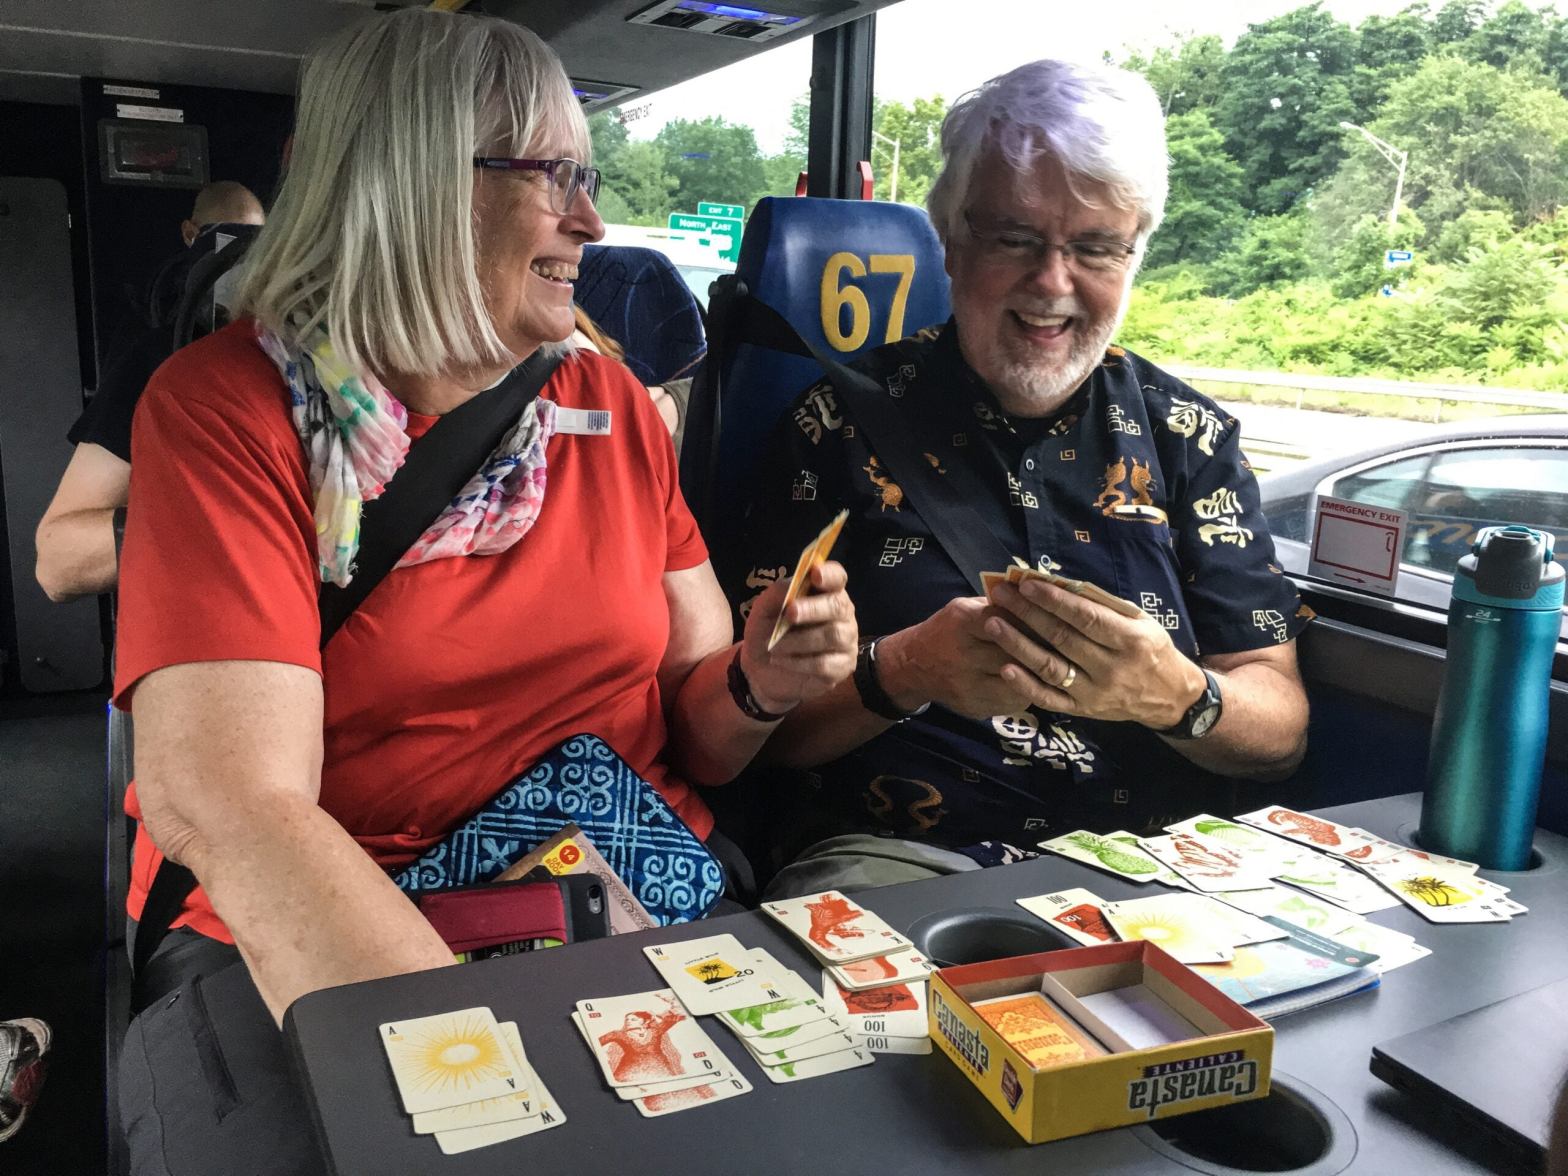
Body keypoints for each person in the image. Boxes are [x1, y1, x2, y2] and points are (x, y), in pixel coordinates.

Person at [111, 11, 856, 1173]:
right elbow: (234, 803)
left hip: (622, 880)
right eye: (552, 175)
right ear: (410, 181)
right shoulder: (230, 410)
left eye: (587, 180)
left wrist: (760, 683)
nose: (590, 222)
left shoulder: (613, 408)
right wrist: (474, 1080)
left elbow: (696, 737)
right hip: (334, 912)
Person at [732, 59, 1311, 895]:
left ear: (1134, 257)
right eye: (1014, 239)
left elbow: (1281, 730)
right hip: (905, 863)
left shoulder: (1190, 439)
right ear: (951, 243)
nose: (1052, 283)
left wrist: (1176, 694)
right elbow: (752, 737)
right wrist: (903, 671)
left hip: (1157, 872)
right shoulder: (835, 427)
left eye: (1096, 248)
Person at [33, 181, 266, 603]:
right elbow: (57, 562)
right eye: (227, 239)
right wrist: (225, 519)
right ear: (192, 237)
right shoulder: (157, 352)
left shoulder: (325, 370)